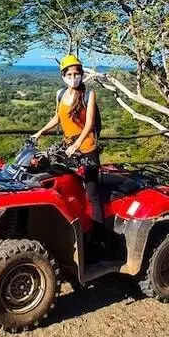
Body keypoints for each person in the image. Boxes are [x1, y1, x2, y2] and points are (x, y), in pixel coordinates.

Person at [32, 54, 104, 228]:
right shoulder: (61, 94)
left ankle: (99, 233)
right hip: (68, 145)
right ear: (63, 76)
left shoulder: (89, 95)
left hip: (86, 147)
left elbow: (89, 124)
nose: (73, 78)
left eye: (76, 74)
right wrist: (41, 131)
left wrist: (77, 144)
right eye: (69, 75)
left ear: (81, 74)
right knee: (55, 177)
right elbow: (58, 117)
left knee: (92, 192)